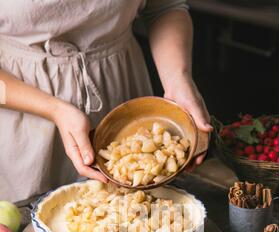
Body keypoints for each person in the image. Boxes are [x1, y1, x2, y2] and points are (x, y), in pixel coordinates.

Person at [0, 0, 212, 202]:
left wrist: (177, 79)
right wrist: (55, 110)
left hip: (124, 101)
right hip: (23, 112)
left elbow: (164, 7)